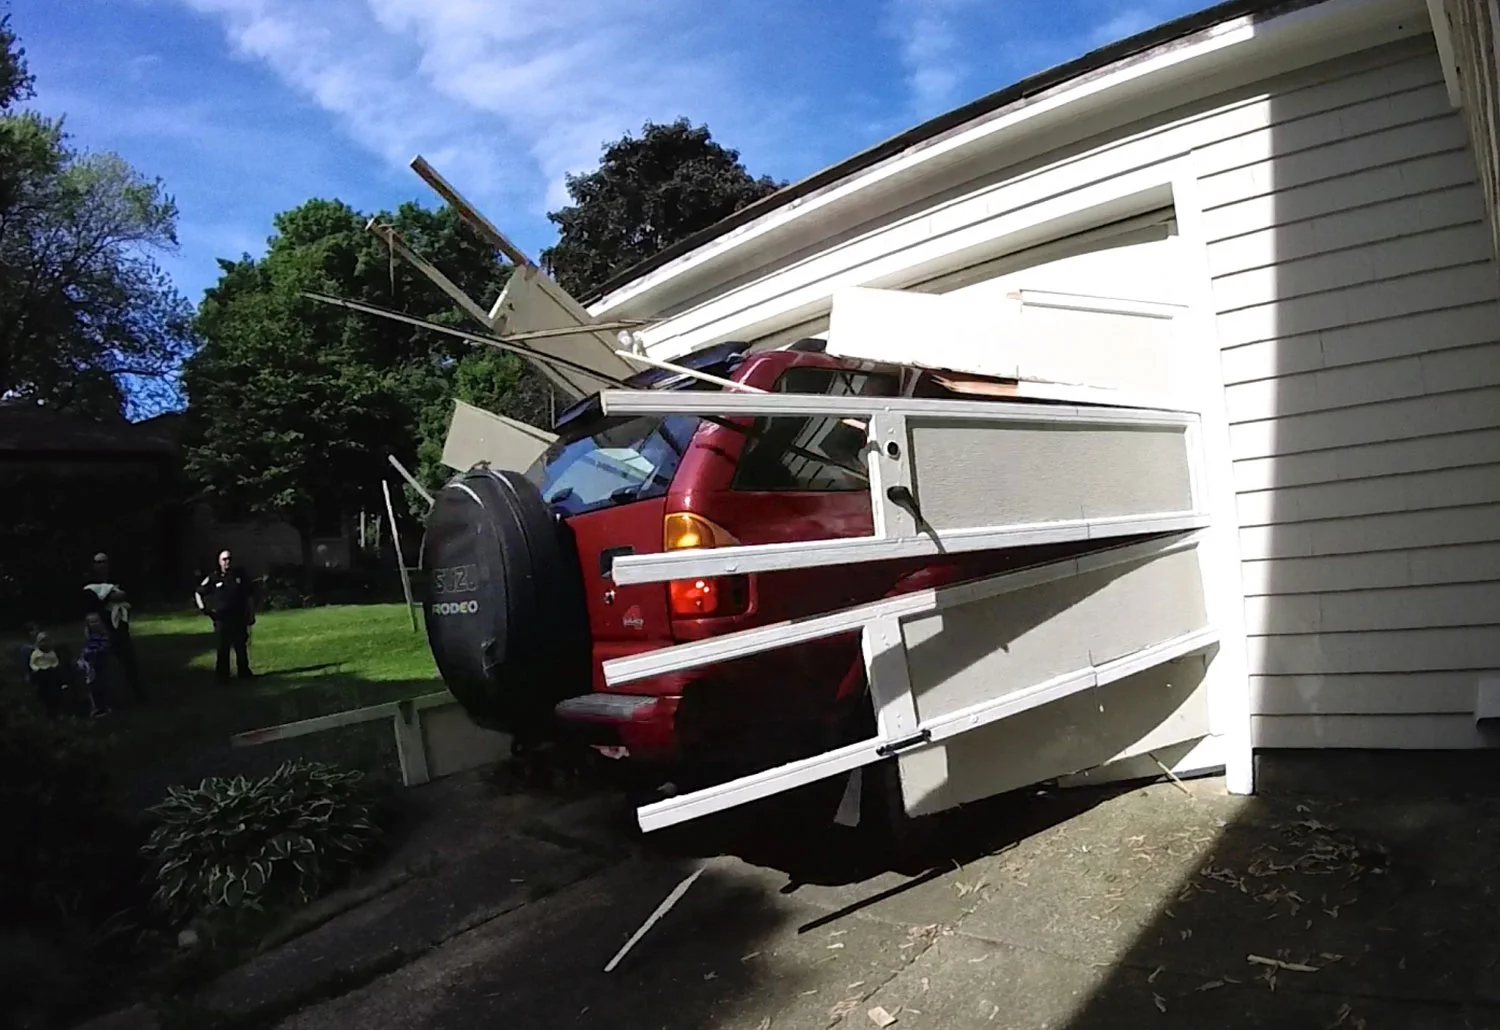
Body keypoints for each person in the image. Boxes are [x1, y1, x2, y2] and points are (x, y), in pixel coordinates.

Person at [83, 552, 146, 702]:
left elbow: (127, 594)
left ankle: (138, 694)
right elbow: (91, 601)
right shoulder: (90, 583)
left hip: (120, 628)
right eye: (98, 562)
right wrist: (109, 597)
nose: (102, 565)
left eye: (104, 562)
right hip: (101, 628)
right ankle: (106, 698)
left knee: (129, 661)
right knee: (103, 665)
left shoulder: (117, 579)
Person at [195, 549, 256, 682]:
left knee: (240, 646)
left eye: (229, 559)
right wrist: (204, 609)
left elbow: (249, 596)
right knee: (223, 647)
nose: (227, 562)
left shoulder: (240, 576)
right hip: (222, 619)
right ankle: (223, 676)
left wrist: (251, 614)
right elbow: (199, 592)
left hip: (239, 617)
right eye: (224, 559)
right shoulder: (214, 577)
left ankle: (244, 673)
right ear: (219, 561)